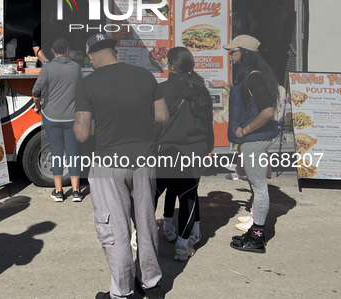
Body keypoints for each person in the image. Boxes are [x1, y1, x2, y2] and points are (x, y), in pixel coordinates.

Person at [73, 34, 169, 299]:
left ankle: (122, 291)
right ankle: (151, 283)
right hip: (144, 160)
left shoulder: (88, 83)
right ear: (115, 51)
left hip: (108, 163)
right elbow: (162, 115)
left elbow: (81, 134)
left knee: (115, 228)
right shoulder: (144, 76)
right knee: (146, 221)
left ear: (91, 56)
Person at [207, 34, 280, 254]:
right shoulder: (246, 75)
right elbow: (247, 100)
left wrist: (246, 129)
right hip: (250, 140)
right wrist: (227, 87)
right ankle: (254, 230)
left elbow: (267, 111)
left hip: (254, 140)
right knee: (255, 185)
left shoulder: (253, 77)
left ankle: (257, 236)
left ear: (245, 53)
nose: (230, 55)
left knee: (259, 187)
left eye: (234, 51)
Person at [154, 47, 214, 261]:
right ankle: (182, 246)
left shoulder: (163, 90)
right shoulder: (202, 90)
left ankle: (142, 234)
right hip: (196, 150)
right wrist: (209, 148)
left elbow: (154, 124)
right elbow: (209, 124)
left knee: (154, 192)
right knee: (188, 196)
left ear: (171, 66)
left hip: (169, 151)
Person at [32, 37, 83, 202]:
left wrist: (37, 106)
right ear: (67, 51)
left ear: (53, 51)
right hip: (72, 117)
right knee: (73, 153)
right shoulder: (76, 67)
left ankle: (59, 191)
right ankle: (76, 192)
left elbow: (36, 91)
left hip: (51, 116)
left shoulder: (47, 68)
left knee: (56, 153)